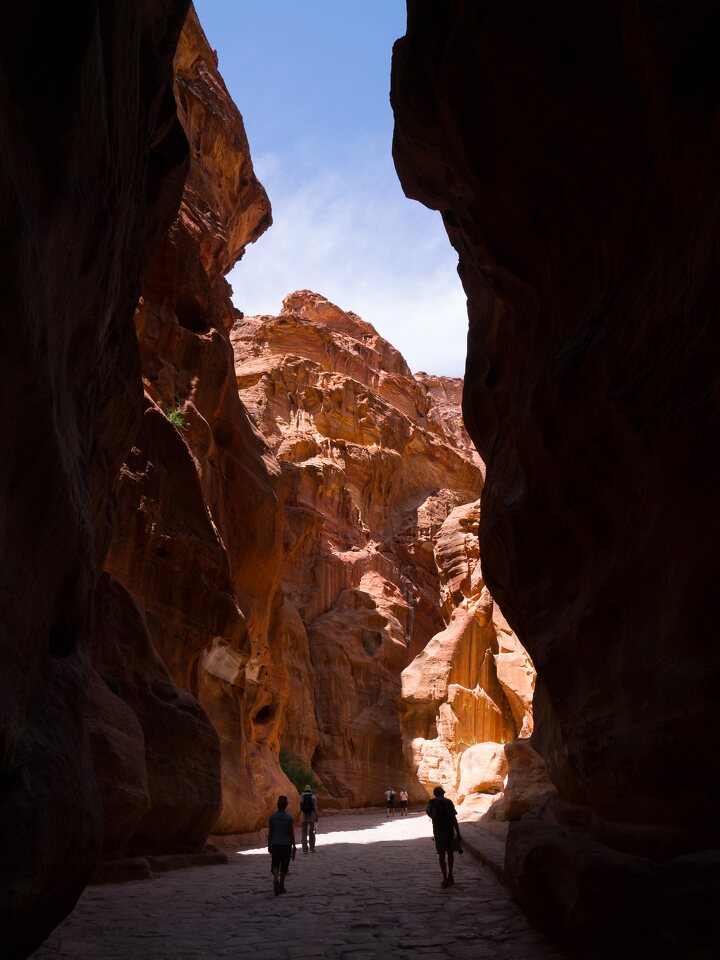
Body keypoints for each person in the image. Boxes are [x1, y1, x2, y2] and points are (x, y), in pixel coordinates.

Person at [426, 786, 462, 888]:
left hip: (438, 832)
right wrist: (458, 833)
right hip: (449, 831)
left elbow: (427, 811)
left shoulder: (431, 802)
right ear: (443, 793)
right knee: (450, 854)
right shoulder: (448, 802)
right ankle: (450, 875)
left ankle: (445, 878)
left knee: (441, 855)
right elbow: (453, 818)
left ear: (434, 793)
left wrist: (434, 818)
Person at [268, 795, 296, 895]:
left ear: (278, 805)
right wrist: (294, 846)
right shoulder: (288, 818)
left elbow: (270, 832)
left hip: (275, 844)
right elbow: (291, 833)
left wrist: (269, 844)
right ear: (285, 806)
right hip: (286, 845)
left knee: (275, 864)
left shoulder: (272, 817)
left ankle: (276, 879)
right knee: (284, 865)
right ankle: (282, 885)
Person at [299, 783, 319, 853]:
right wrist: (317, 815)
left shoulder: (301, 796)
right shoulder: (313, 796)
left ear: (305, 790)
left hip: (303, 815)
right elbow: (315, 807)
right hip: (312, 815)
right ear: (310, 790)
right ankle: (312, 848)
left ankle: (304, 849)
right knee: (312, 832)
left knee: (304, 832)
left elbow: (300, 807)